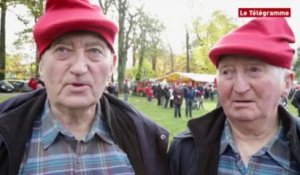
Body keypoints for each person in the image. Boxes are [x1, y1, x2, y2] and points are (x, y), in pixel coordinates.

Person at [0, 0, 169, 174]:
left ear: (112, 65)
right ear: (41, 64)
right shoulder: (4, 137)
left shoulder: (145, 139)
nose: (79, 68)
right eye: (63, 50)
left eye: (94, 51)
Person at [168, 18, 300, 175]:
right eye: (227, 72)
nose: (240, 87)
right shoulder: (186, 148)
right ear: (217, 83)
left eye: (254, 70)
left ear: (286, 83)